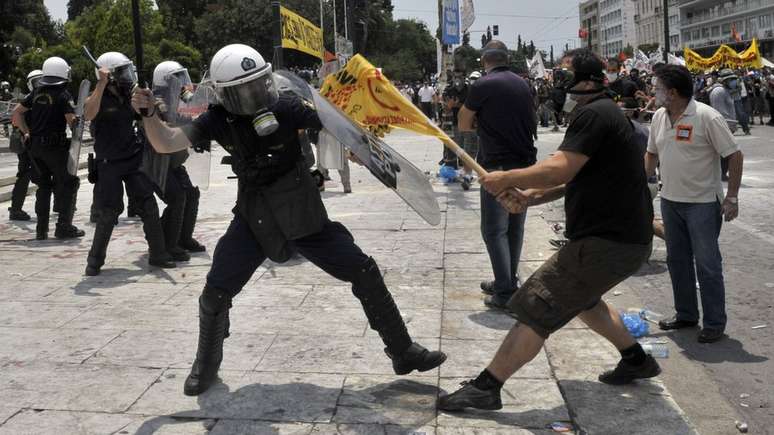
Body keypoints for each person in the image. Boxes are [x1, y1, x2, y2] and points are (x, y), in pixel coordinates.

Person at [133, 44, 447, 396]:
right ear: (225, 94)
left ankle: (402, 351)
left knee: (363, 270)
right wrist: (147, 115)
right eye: (244, 91)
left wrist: (360, 150)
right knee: (215, 292)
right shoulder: (217, 118)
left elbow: (332, 127)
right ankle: (206, 363)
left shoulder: (287, 105)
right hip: (254, 217)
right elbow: (166, 142)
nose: (255, 95)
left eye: (258, 84)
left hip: (303, 212)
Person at [438, 48, 658, 412]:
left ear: (587, 82)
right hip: (622, 239)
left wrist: (506, 176)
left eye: (567, 79)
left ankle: (487, 386)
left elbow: (559, 166)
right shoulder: (604, 113)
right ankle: (636, 359)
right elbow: (574, 178)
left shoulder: (593, 115)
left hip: (608, 241)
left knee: (536, 304)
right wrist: (530, 197)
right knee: (584, 302)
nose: (561, 87)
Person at [645, 65, 744, 344]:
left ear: (672, 92)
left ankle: (714, 322)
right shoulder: (659, 117)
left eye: (657, 88)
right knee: (677, 261)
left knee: (707, 265)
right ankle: (686, 314)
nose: (654, 92)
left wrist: (732, 197)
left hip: (701, 204)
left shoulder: (706, 116)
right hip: (670, 201)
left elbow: (735, 156)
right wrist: (640, 186)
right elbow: (651, 154)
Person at [457, 40, 537, 310]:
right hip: (525, 165)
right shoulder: (522, 83)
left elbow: (463, 123)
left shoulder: (482, 85)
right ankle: (508, 280)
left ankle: (504, 290)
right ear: (506, 59)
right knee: (514, 226)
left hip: (497, 166)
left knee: (493, 230)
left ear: (484, 61)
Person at [83, 51, 176, 276]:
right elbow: (87, 113)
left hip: (132, 159)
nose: (127, 76)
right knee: (108, 213)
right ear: (109, 75)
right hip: (109, 163)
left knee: (148, 205)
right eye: (121, 72)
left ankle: (158, 254)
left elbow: (147, 113)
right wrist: (101, 84)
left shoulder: (128, 94)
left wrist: (153, 104)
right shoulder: (99, 96)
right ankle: (94, 262)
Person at [11, 57, 84, 240]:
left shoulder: (36, 92)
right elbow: (71, 122)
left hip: (35, 148)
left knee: (43, 187)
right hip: (55, 148)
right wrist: (79, 122)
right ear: (63, 72)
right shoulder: (63, 94)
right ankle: (63, 227)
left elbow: (17, 113)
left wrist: (26, 132)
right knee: (68, 184)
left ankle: (41, 230)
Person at [147, 60, 206, 258]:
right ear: (166, 81)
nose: (183, 81)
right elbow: (165, 126)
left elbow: (192, 119)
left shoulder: (182, 98)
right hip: (157, 162)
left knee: (192, 194)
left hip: (174, 161)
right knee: (177, 197)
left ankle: (184, 238)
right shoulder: (155, 102)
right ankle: (167, 243)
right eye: (178, 77)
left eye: (183, 75)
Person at [7, 70, 43, 222]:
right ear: (30, 84)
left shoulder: (42, 99)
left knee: (40, 174)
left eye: (41, 80)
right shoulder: (28, 100)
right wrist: (26, 133)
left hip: (38, 144)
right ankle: (16, 209)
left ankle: (56, 206)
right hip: (27, 145)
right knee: (25, 175)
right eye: (36, 82)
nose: (39, 84)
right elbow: (16, 118)